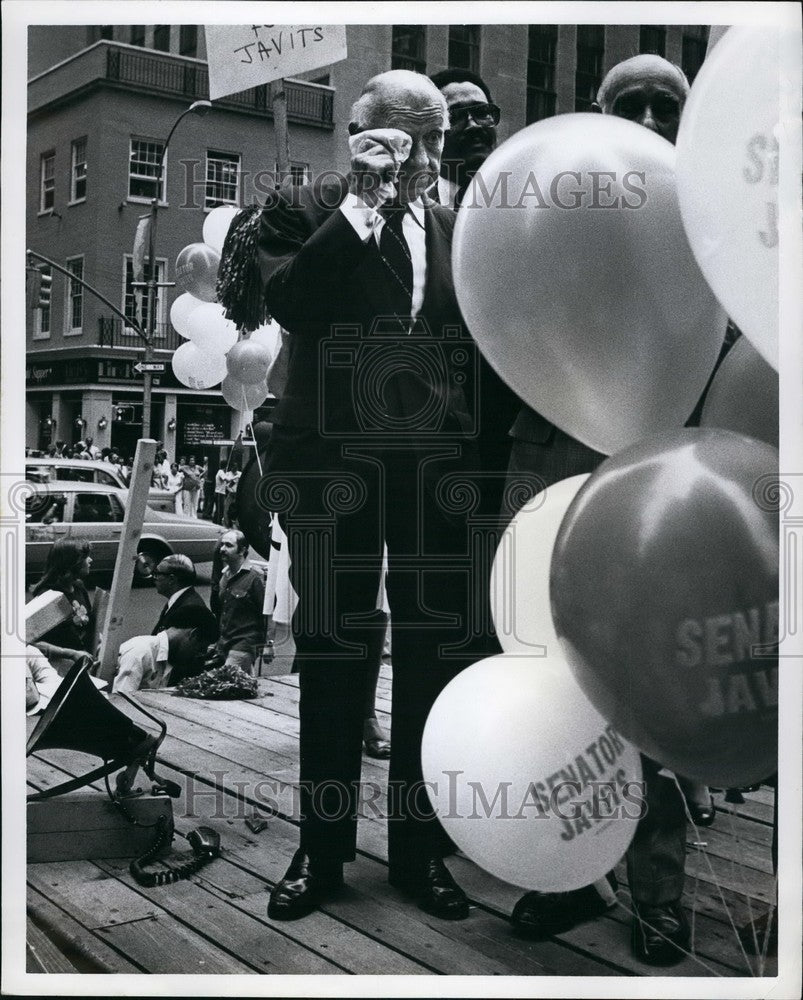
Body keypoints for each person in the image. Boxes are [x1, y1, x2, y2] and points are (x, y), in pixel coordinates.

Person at [257, 70, 495, 924]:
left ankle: (417, 854)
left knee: (430, 662)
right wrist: (361, 203)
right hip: (333, 470)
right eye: (402, 136)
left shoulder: (455, 226)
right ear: (358, 133)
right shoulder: (299, 207)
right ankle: (320, 855)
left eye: (433, 139)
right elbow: (290, 299)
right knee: (333, 658)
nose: (425, 156)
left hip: (431, 474)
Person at [499, 55, 697, 966]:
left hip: (662, 482)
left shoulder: (710, 224)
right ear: (597, 115)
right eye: (633, 104)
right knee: (554, 681)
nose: (652, 117)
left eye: (668, 104)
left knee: (648, 683)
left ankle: (659, 896)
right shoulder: (550, 205)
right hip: (551, 471)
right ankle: (566, 872)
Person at [112, 554, 218, 694]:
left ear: (172, 579)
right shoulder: (140, 652)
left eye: (157, 574)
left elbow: (188, 660)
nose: (153, 577)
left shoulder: (189, 607)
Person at [206, 530, 265, 674]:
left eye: (228, 545)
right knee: (242, 686)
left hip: (245, 643)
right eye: (222, 545)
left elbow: (266, 614)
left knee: (225, 680)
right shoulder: (224, 576)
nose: (222, 549)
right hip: (226, 642)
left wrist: (268, 645)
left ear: (242, 550)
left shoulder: (255, 577)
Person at [32, 538, 95, 657]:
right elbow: (30, 643)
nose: (90, 560)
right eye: (86, 557)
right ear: (72, 562)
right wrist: (71, 654)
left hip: (85, 659)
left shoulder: (78, 586)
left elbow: (90, 625)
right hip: (59, 666)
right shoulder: (47, 596)